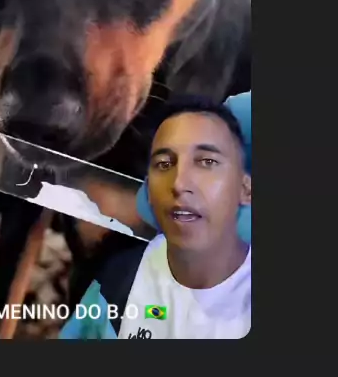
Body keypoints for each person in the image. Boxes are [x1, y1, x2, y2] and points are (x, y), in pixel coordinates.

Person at [59, 94, 251, 339]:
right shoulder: (115, 285)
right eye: (164, 164)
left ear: (245, 189)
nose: (179, 182)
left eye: (206, 161)